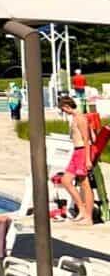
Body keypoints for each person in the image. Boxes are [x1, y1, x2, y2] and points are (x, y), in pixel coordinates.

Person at [57, 96, 94, 225]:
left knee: (85, 184)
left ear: (67, 106)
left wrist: (88, 159)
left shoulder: (80, 118)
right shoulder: (74, 118)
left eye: (63, 109)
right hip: (76, 152)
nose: (63, 112)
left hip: (82, 152)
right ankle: (82, 209)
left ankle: (88, 217)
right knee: (65, 180)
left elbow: (86, 139)